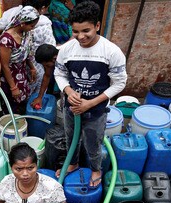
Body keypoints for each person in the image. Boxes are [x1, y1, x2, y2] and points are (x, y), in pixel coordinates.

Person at [54, 1, 127, 187]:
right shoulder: (67, 50)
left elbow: (119, 83)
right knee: (71, 138)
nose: (80, 36)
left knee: (94, 143)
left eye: (86, 30)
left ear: (97, 26)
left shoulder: (111, 52)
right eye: (76, 31)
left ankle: (96, 169)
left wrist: (90, 103)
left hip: (96, 111)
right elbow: (59, 74)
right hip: (71, 108)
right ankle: (73, 163)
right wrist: (68, 91)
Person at [0, 6, 40, 114]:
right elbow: (4, 65)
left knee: (21, 102)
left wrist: (32, 68)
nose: (32, 28)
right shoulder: (6, 39)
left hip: (22, 72)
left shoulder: (26, 33)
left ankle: (21, 122)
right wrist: (13, 87)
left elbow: (26, 53)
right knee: (12, 105)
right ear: (23, 23)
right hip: (10, 77)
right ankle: (12, 126)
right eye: (31, 25)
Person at [31, 44, 59, 109]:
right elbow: (47, 76)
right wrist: (40, 97)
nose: (46, 67)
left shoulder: (68, 60)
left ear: (54, 59)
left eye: (47, 65)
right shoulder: (50, 61)